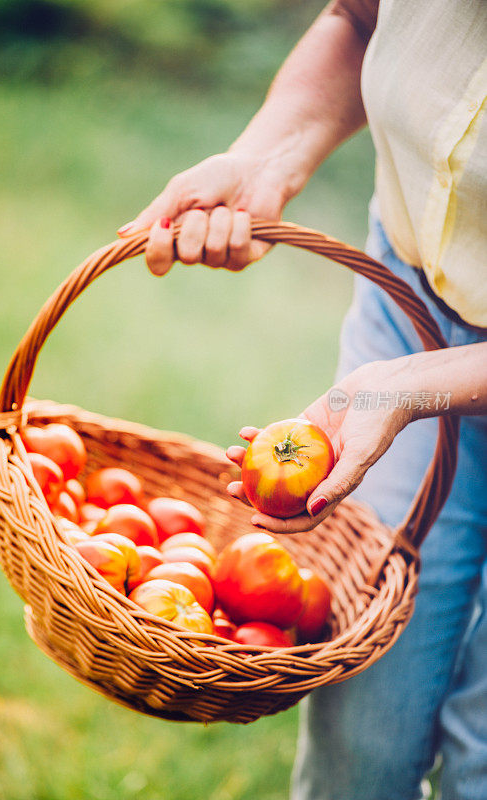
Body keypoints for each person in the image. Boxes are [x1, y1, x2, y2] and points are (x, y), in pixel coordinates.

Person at [118, 2, 487, 797]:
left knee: (482, 758)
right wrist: (268, 159)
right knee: (361, 726)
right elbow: (358, 20)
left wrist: (419, 383)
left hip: (415, 367)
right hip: (412, 306)